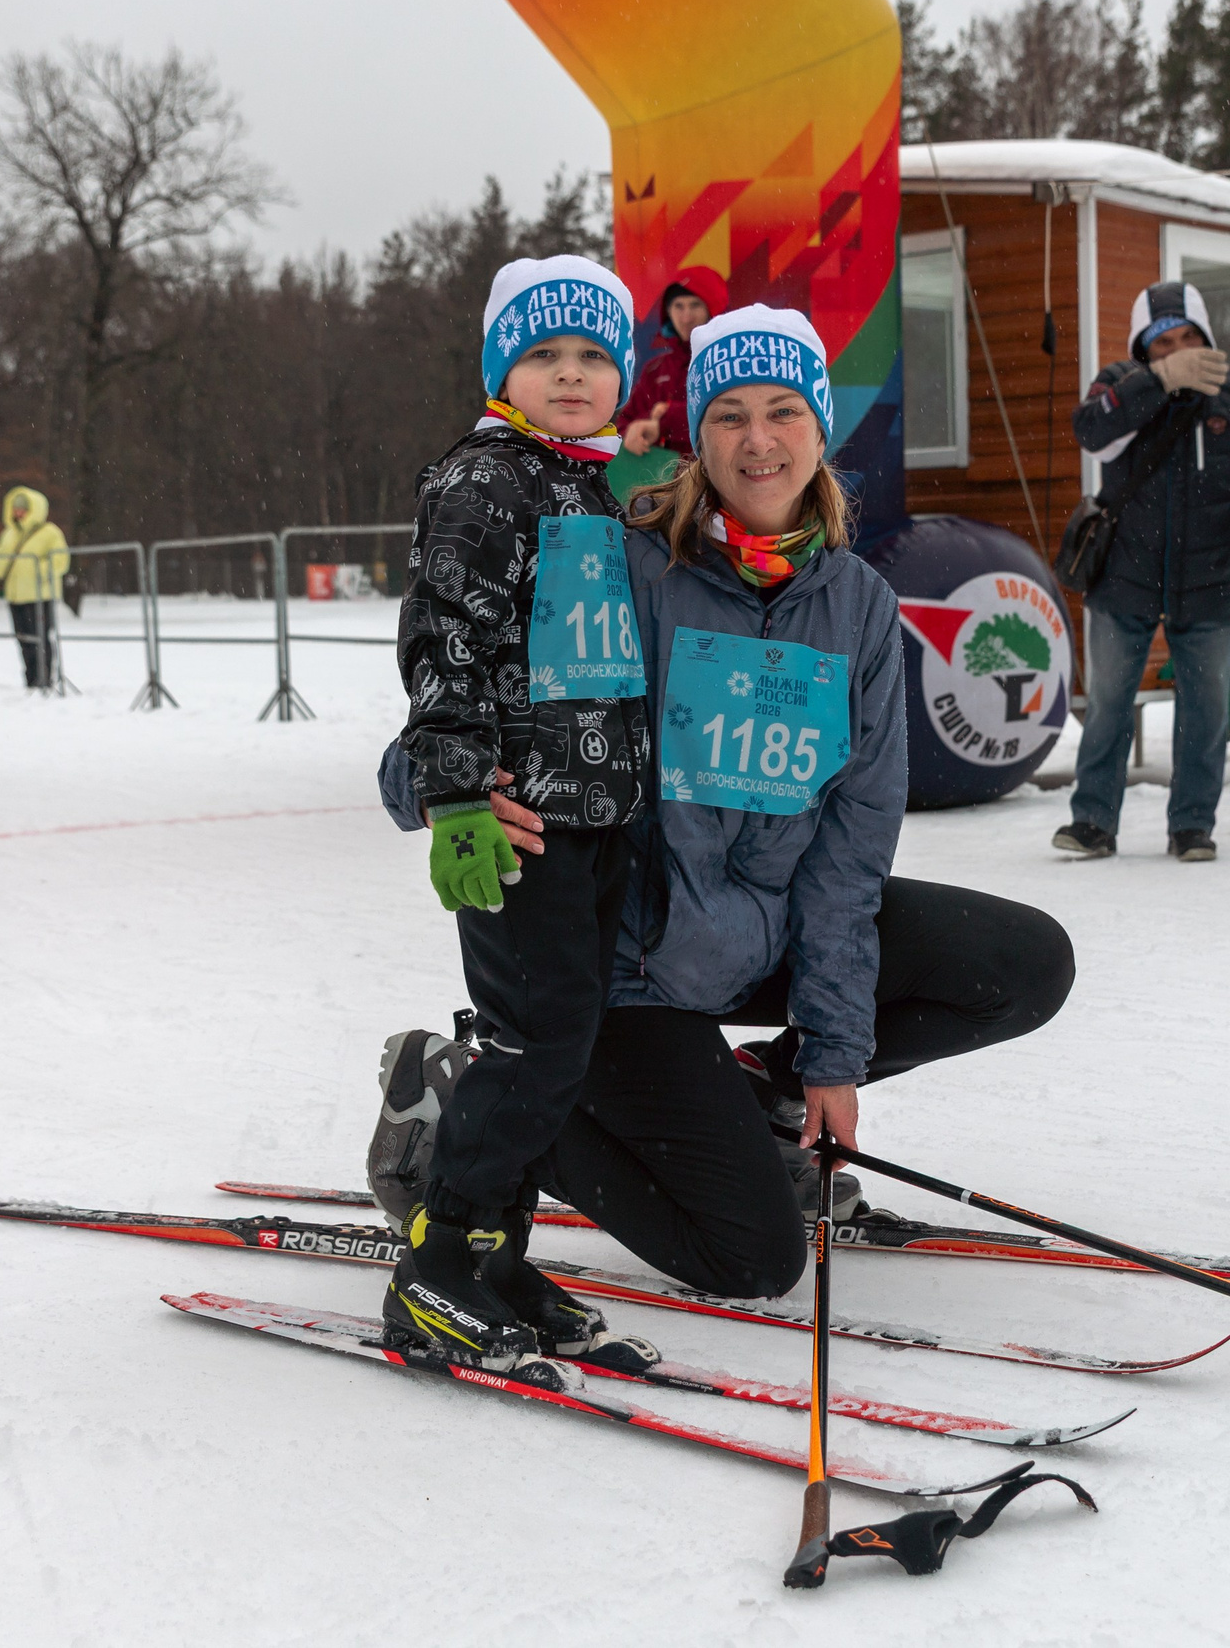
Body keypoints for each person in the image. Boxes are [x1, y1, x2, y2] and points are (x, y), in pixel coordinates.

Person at [376, 302, 1074, 1314]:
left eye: (783, 411)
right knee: (750, 1259)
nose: (758, 441)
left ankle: (760, 1097)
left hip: (769, 933)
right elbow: (451, 700)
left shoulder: (858, 607)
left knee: (1021, 963)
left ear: (817, 427)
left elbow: (850, 850)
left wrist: (828, 1059)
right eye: (729, 416)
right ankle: (471, 1098)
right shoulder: (624, 564)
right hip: (630, 969)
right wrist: (447, 790)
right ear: (695, 437)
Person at [379, 253, 651, 1371]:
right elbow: (442, 642)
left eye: (593, 356)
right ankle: (437, 1268)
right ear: (503, 369)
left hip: (590, 816)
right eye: (544, 355)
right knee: (528, 1044)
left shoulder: (589, 483)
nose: (573, 374)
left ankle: (497, 1250)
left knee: (564, 1044)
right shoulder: (482, 482)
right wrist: (452, 797)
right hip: (517, 821)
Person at [1054, 281, 1230, 863]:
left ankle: (1192, 825)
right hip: (1123, 574)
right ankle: (1092, 821)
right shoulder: (1118, 386)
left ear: (1208, 338)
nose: (1179, 348)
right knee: (1110, 702)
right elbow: (1091, 431)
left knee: (1207, 708)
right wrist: (1160, 382)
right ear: (1144, 346)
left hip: (1212, 576)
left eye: (1190, 337)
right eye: (1164, 340)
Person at [617, 270, 724, 464]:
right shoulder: (655, 369)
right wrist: (631, 435)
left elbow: (726, 416)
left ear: (712, 310)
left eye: (695, 305)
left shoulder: (725, 362)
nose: (686, 317)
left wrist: (666, 419)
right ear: (668, 312)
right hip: (658, 484)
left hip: (714, 479)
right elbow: (625, 422)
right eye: (678, 306)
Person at [0, 486, 70, 690]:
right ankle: (30, 679)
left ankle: (44, 679)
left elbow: (60, 560)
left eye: (23, 508)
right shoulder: (8, 533)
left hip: (39, 595)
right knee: (23, 639)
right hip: (15, 595)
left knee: (40, 638)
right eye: (15, 507)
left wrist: (37, 571)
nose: (18, 512)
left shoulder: (49, 532)